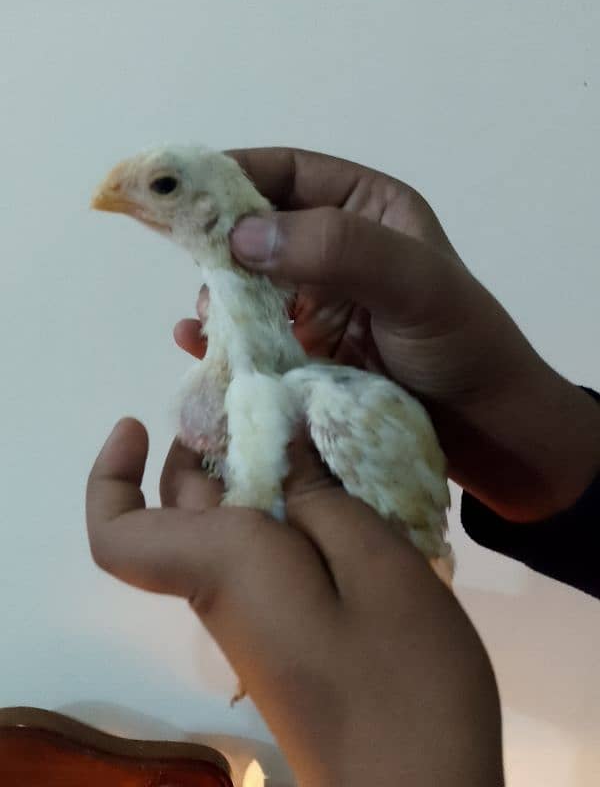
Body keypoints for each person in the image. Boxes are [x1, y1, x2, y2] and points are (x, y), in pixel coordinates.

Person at [86, 148, 599, 787]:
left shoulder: (345, 408)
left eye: (164, 187)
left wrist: (385, 743)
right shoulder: (230, 382)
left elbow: (416, 557)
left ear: (214, 210)